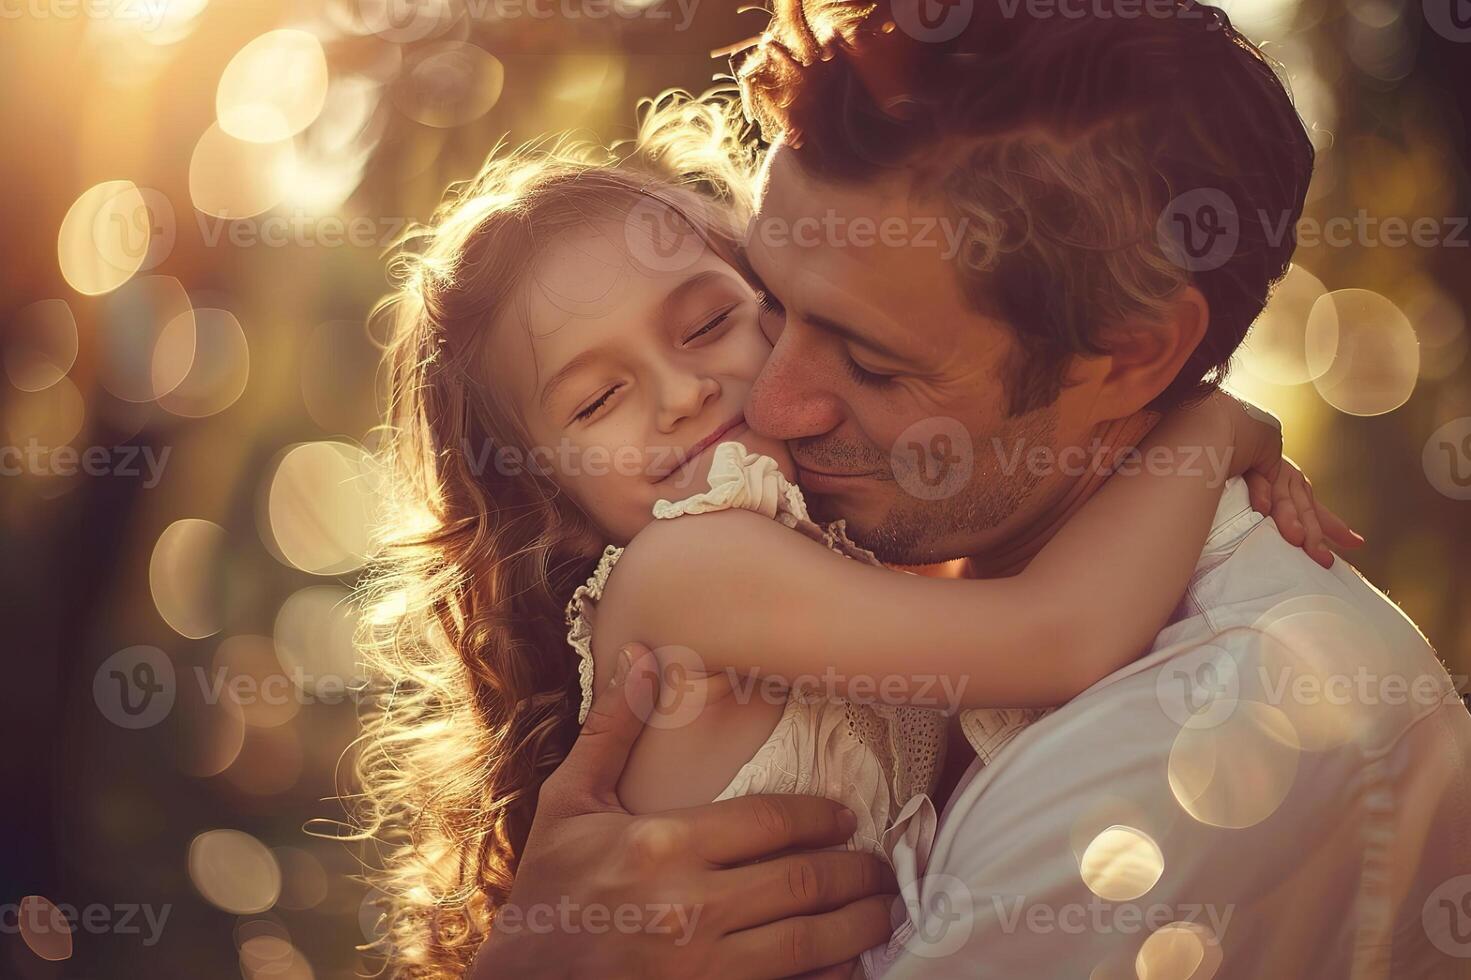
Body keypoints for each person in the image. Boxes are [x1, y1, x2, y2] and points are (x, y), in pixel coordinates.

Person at [470, 2, 1471, 977]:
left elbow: (1060, 633)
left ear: (1134, 358)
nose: (765, 405)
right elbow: (1056, 627)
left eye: (869, 360)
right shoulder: (755, 565)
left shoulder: (1208, 730)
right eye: (777, 301)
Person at [356, 138, 1339, 977]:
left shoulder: (846, 556)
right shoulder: (687, 574)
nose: (682, 391)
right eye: (594, 401)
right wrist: (1201, 428)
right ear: (554, 506)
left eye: (706, 323)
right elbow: (1060, 631)